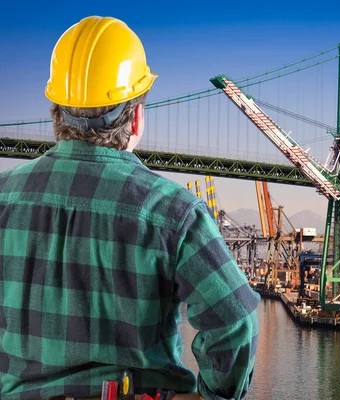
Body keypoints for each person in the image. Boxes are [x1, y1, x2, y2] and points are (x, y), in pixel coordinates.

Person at [0, 16, 260, 400]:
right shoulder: (174, 211)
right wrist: (213, 395)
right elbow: (235, 322)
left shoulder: (4, 196)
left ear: (54, 111)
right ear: (136, 116)